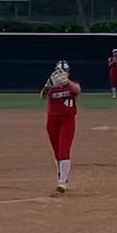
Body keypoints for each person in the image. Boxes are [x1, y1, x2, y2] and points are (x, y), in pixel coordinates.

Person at [42, 60, 80, 193]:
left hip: (67, 121)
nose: (62, 73)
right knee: (57, 151)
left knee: (64, 150)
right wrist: (48, 86)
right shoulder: (51, 83)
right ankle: (62, 175)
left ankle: (62, 182)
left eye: (65, 71)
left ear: (69, 73)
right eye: (59, 71)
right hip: (52, 120)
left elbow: (77, 90)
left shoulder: (72, 85)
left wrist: (67, 82)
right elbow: (42, 96)